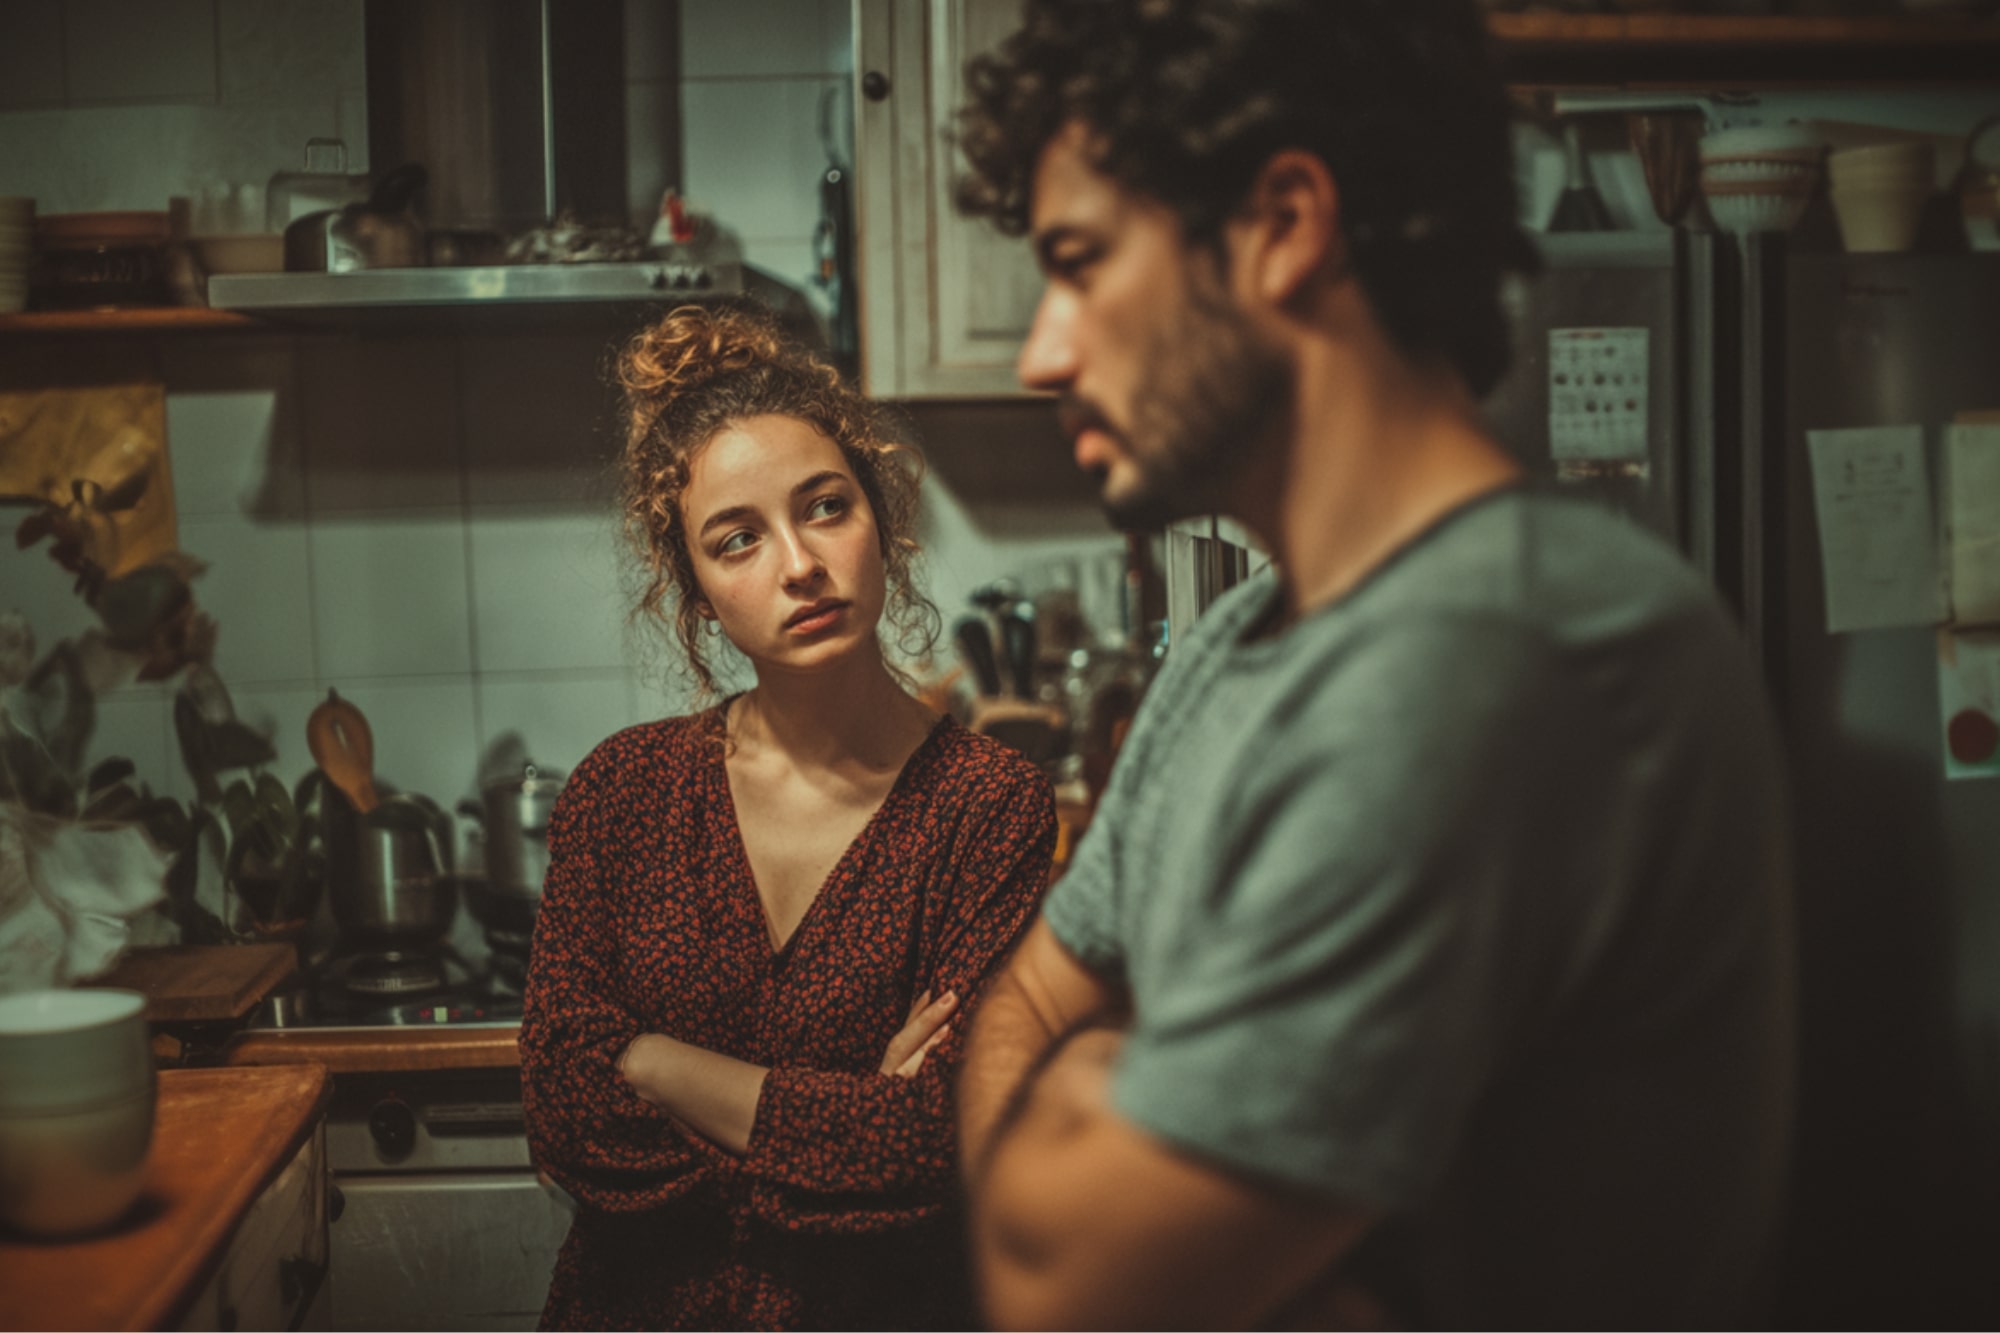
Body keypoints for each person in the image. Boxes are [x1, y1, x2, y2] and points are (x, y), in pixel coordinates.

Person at [949, 1, 1796, 1328]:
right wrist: (1077, 1104)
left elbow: (1065, 1281)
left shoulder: (1491, 652)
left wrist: (1101, 1076)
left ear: (1285, 224)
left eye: (1079, 261)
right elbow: (1032, 998)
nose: (1041, 352)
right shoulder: (1238, 641)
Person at [519, 303, 1056, 1330]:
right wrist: (846, 1116)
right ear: (697, 592)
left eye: (824, 508)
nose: (798, 565)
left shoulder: (987, 806)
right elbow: (568, 1114)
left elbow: (933, 1144)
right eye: (738, 540)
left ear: (880, 520)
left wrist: (657, 1063)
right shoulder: (622, 793)